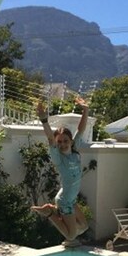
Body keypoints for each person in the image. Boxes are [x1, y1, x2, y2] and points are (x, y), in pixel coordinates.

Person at [31, 97, 90, 246]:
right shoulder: (58, 158)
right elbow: (50, 138)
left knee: (84, 227)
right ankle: (50, 213)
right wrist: (44, 121)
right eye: (60, 142)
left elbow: (81, 129)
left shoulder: (75, 149)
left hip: (71, 199)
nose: (63, 144)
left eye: (65, 140)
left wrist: (85, 110)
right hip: (64, 201)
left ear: (71, 141)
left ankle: (54, 211)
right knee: (71, 236)